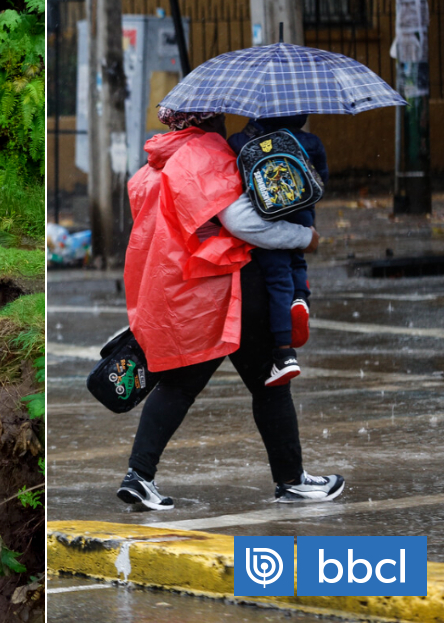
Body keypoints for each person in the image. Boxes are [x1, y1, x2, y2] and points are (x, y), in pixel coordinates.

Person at [116, 107, 345, 510]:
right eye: (220, 114)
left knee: (179, 385)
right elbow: (241, 223)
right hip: (222, 289)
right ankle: (291, 481)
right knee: (270, 383)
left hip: (180, 289)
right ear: (209, 118)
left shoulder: (157, 161)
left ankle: (139, 476)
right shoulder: (205, 153)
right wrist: (302, 236)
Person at [227, 115, 329, 386]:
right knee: (298, 263)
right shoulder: (312, 142)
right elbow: (321, 180)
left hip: (268, 218)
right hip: (302, 216)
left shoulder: (244, 141)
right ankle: (301, 299)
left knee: (276, 280)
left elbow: (236, 165)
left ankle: (284, 354)